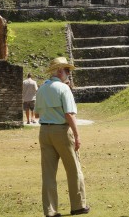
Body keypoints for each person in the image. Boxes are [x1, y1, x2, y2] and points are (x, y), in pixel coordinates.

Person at [35, 57, 90, 217]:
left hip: (44, 131)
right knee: (74, 169)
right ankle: (78, 205)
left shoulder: (42, 88)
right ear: (60, 71)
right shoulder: (63, 88)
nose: (68, 73)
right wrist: (77, 135)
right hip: (62, 131)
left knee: (48, 174)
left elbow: (37, 113)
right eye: (67, 70)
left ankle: (50, 210)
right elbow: (69, 114)